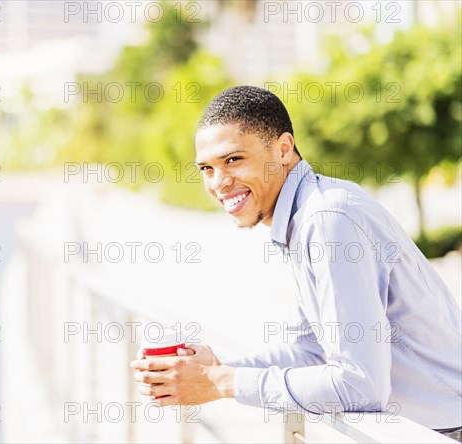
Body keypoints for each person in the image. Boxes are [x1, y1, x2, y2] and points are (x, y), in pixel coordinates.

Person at [131, 86, 462, 439]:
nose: (219, 182)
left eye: (233, 160)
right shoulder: (307, 216)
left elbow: (360, 384)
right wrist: (211, 369)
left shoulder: (327, 219)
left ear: (284, 149)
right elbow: (312, 351)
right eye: (207, 168)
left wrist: (223, 383)